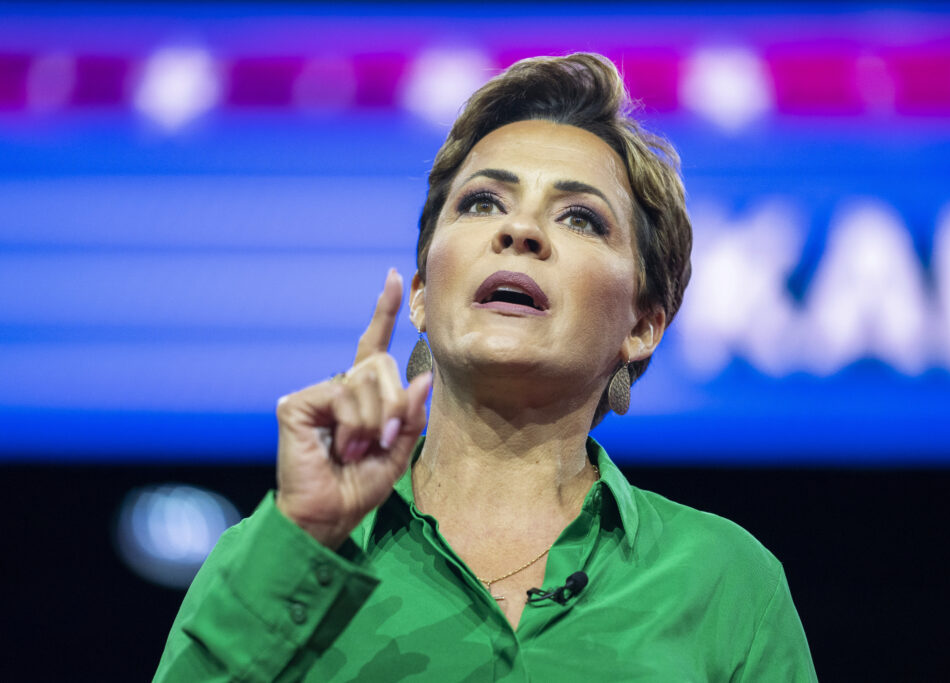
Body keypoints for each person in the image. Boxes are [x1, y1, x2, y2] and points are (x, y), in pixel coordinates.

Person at [155, 53, 817, 681]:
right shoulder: (281, 551)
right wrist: (299, 539)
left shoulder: (727, 579)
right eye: (481, 203)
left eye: (581, 218)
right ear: (421, 292)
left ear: (642, 326)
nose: (520, 231)